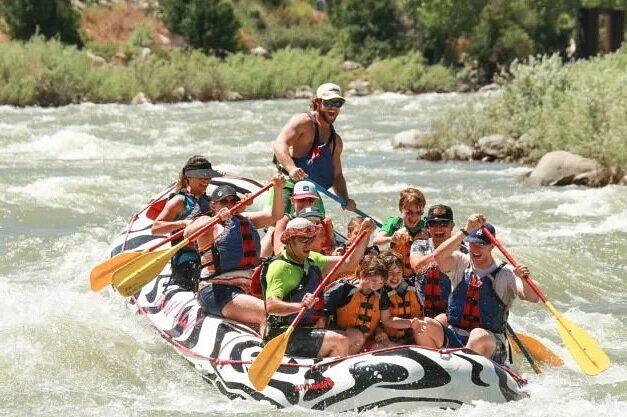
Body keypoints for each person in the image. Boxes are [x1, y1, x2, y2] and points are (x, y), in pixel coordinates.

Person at [417, 215, 540, 364]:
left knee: (477, 335)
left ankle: (463, 368)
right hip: (456, 335)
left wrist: (523, 278)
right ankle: (432, 366)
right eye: (472, 243)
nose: (475, 248)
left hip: (488, 342)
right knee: (424, 325)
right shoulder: (460, 262)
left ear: (492, 246)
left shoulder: (506, 273)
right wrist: (466, 230)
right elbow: (439, 256)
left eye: (481, 244)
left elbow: (532, 297)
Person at [262, 216, 376, 358]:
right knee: (339, 341)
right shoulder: (280, 267)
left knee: (356, 336)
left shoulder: (313, 259)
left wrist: (364, 235)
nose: (308, 245)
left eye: (311, 239)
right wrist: (300, 306)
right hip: (283, 332)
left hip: (307, 329)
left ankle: (325, 364)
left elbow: (349, 263)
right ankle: (330, 376)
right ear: (290, 240)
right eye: (303, 240)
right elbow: (272, 306)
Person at [183, 174, 285, 327]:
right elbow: (188, 234)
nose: (229, 204)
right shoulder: (207, 223)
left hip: (242, 290)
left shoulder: (246, 219)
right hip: (215, 291)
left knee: (280, 310)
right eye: (224, 201)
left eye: (233, 201)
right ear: (213, 205)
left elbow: (275, 215)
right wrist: (217, 217)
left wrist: (277, 189)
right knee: (268, 313)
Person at [271, 82, 356, 214]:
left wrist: (345, 199)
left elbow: (337, 176)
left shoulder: (336, 141)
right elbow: (279, 144)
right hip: (288, 185)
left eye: (338, 103)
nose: (333, 107)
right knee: (281, 222)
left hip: (311, 192)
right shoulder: (304, 122)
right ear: (317, 103)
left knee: (320, 226)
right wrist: (291, 168)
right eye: (328, 103)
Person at [152, 155, 220, 291]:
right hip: (186, 261)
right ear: (188, 177)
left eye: (208, 176)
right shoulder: (179, 201)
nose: (206, 180)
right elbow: (156, 228)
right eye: (201, 176)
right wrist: (183, 223)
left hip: (208, 257)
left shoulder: (211, 202)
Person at [322, 254, 386, 354]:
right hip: (341, 337)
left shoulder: (381, 295)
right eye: (374, 280)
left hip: (364, 340)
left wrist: (379, 331)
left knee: (385, 349)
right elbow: (322, 313)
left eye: (381, 283)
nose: (377, 285)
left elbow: (379, 321)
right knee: (357, 336)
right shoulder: (343, 289)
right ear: (363, 275)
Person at [409, 204, 459, 322]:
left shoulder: (463, 251)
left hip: (450, 313)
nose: (438, 228)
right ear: (428, 227)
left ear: (452, 226)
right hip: (421, 311)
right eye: (433, 224)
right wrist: (442, 253)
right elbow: (417, 266)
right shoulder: (419, 245)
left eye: (444, 224)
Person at [374, 250, 426, 348]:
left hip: (414, 333)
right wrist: (410, 323)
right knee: (382, 339)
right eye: (390, 272)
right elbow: (386, 320)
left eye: (399, 272)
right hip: (391, 337)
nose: (395, 276)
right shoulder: (381, 292)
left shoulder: (413, 286)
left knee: (428, 323)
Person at [373, 187, 429, 277]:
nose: (414, 217)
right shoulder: (394, 222)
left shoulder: (426, 226)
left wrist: (428, 238)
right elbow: (376, 240)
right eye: (409, 212)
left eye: (418, 213)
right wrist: (391, 238)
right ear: (401, 209)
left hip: (416, 273)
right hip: (394, 272)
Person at [270, 180, 322, 256]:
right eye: (301, 200)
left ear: (315, 202)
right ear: (292, 201)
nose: (306, 204)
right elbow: (279, 251)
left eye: (311, 200)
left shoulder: (320, 221)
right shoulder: (285, 220)